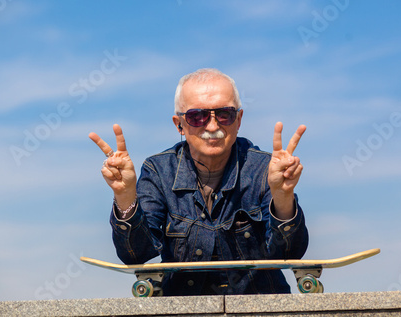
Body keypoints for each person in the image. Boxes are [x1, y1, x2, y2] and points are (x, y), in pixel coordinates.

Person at [89, 68, 308, 296]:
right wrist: (125, 198)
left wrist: (283, 200)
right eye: (197, 116)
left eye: (225, 114)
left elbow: (290, 253)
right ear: (179, 124)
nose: (212, 126)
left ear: (239, 120)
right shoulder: (159, 171)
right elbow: (136, 254)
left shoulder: (265, 169)